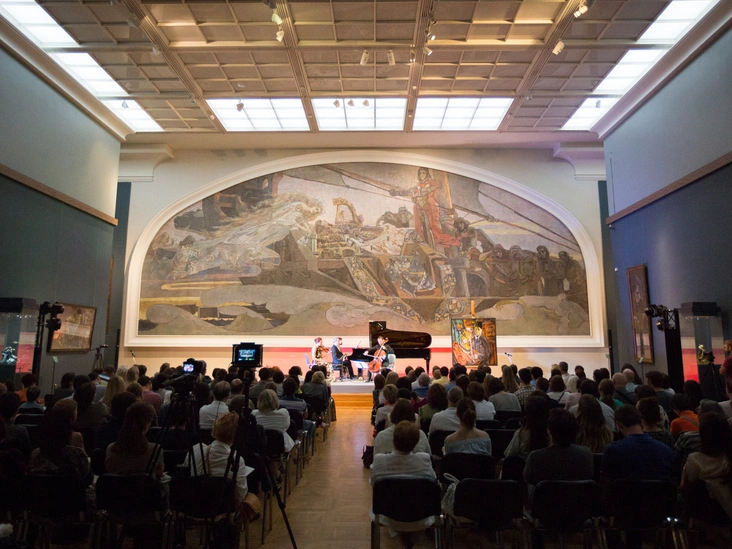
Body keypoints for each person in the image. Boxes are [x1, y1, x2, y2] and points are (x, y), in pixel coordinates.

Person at [370, 420, 437, 549]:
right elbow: (432, 482)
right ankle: (408, 538)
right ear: (415, 443)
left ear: (393, 441)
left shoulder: (379, 460)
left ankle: (404, 536)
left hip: (388, 513)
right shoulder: (424, 459)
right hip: (420, 513)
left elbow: (374, 484)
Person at [388, 166, 461, 250]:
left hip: (429, 206)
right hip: (418, 207)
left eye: (423, 173)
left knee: (433, 227)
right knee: (418, 228)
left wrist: (420, 192)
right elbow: (407, 191)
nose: (421, 175)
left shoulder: (432, 182)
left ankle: (451, 241)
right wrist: (396, 192)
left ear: (427, 174)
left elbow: (430, 189)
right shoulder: (418, 185)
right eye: (420, 173)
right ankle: (427, 243)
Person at [187, 412, 252, 503]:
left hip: (193, 505)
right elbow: (240, 495)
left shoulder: (196, 450)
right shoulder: (237, 460)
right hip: (223, 509)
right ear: (238, 436)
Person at [524, 409, 593, 493]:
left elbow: (527, 478)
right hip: (577, 500)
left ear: (549, 431)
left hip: (545, 499)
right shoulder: (586, 454)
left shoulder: (535, 457)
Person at [601, 404, 673, 482]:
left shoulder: (612, 450)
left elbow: (606, 484)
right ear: (641, 422)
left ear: (620, 425)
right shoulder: (666, 450)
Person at [681, 411, 732, 519]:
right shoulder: (728, 458)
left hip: (705, 517)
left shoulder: (695, 460)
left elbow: (684, 487)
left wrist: (684, 469)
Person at [106, 402, 164, 477]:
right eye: (150, 421)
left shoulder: (110, 449)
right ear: (146, 424)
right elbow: (159, 473)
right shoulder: (155, 450)